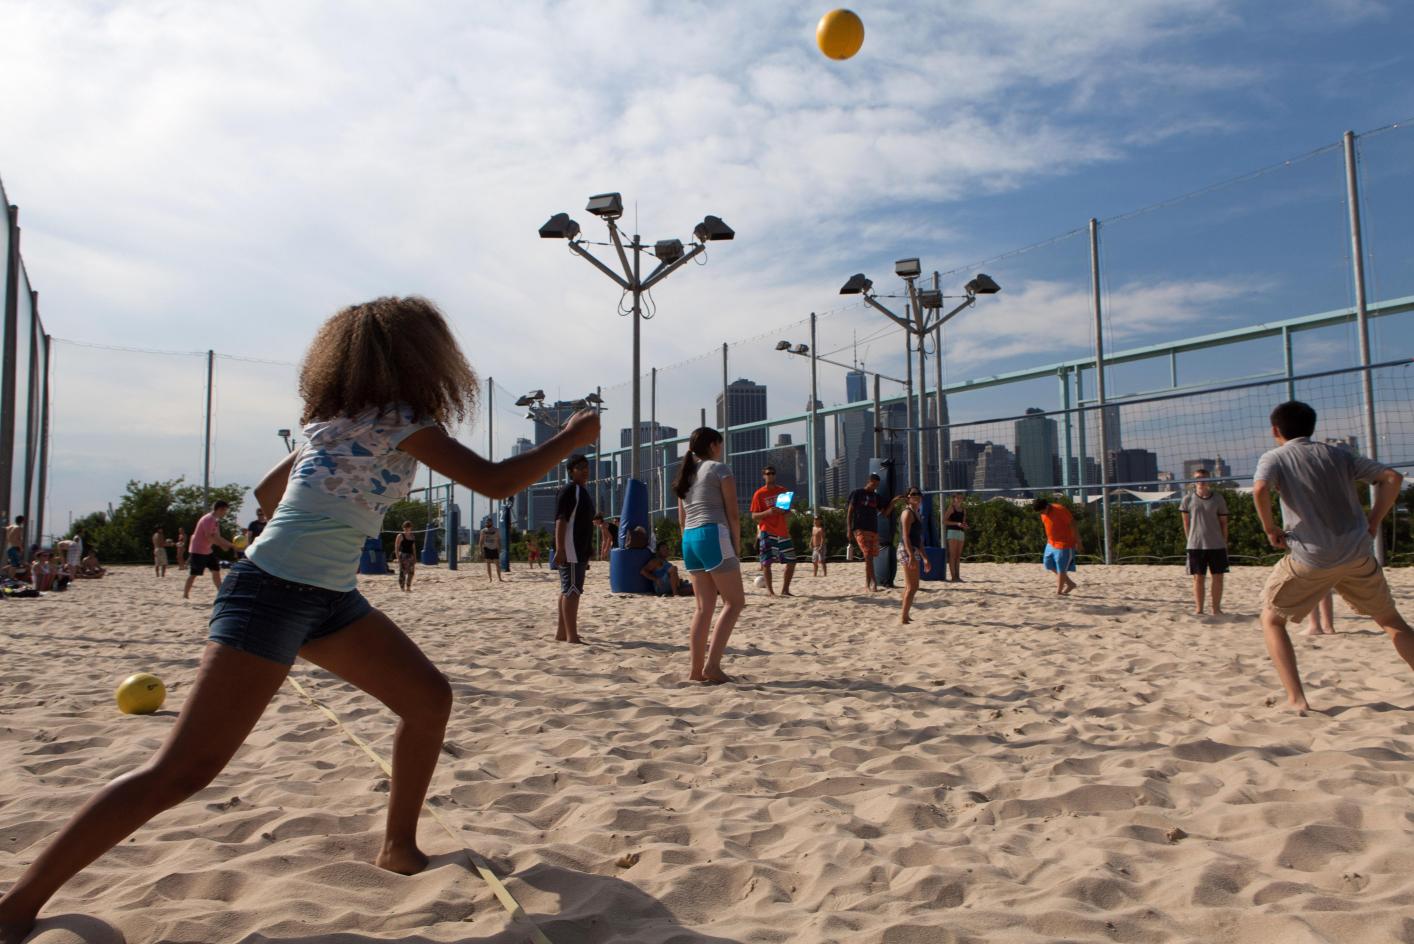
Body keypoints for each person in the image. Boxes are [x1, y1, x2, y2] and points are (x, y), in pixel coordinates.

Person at [0, 296, 598, 943]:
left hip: (326, 597)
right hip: (273, 593)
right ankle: (17, 906)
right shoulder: (404, 423)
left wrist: (332, 497)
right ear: (421, 361)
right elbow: (496, 481)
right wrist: (571, 437)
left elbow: (263, 495)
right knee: (183, 771)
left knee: (428, 699)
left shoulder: (330, 422)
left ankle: (399, 846)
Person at [1251, 400, 1412, 712]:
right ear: (1313, 426)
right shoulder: (1338, 453)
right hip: (1357, 552)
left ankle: (1297, 700)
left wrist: (1270, 529)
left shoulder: (1275, 457)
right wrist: (1374, 521)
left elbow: (1259, 490)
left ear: (1275, 430)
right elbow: (1392, 478)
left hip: (1311, 557)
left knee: (1271, 620)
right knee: (1391, 620)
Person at [675, 427, 744, 684]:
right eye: (720, 444)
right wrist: (736, 546)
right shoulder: (719, 469)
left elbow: (682, 521)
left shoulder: (686, 476)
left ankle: (695, 671)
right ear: (714, 445)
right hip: (713, 534)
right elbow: (733, 514)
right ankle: (712, 667)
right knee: (734, 602)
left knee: (703, 608)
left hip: (690, 540)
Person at [555, 455, 596, 644]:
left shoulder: (582, 490)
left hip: (580, 548)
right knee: (572, 591)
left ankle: (563, 633)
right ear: (571, 471)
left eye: (586, 467)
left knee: (569, 590)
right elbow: (561, 520)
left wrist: (589, 548)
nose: (585, 470)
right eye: (580, 467)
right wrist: (560, 548)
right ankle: (571, 636)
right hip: (571, 547)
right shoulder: (571, 489)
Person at [1180, 468, 1230, 615]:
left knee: (1218, 578)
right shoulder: (1187, 499)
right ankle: (1199, 609)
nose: (1201, 481)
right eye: (1198, 478)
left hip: (1216, 544)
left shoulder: (1218, 498)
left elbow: (1224, 523)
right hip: (1196, 544)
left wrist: (1224, 542)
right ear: (1194, 481)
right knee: (1198, 578)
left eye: (1203, 478)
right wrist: (1190, 540)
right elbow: (1186, 523)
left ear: (1209, 480)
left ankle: (1216, 609)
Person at [750, 465, 797, 597]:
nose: (770, 475)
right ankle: (770, 591)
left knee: (791, 561)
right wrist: (768, 512)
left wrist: (785, 511)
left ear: (775, 475)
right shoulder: (759, 494)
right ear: (763, 476)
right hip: (767, 531)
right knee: (767, 562)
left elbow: (788, 512)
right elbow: (754, 515)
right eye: (768, 473)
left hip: (782, 530)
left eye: (772, 473)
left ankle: (785, 590)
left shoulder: (782, 491)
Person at [182, 501, 236, 600]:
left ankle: (220, 593)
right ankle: (185, 594)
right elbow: (209, 537)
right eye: (225, 511)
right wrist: (226, 545)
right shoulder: (208, 519)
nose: (225, 513)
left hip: (207, 550)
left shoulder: (215, 520)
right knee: (194, 573)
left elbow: (217, 537)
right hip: (198, 550)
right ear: (220, 509)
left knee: (216, 570)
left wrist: (228, 545)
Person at [1032, 497, 1081, 595]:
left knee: (1061, 568)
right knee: (1048, 564)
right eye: (1040, 512)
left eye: (1043, 511)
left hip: (1065, 544)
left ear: (1047, 506)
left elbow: (1073, 524)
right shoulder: (1042, 512)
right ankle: (1070, 583)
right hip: (1051, 543)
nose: (1042, 513)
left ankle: (1059, 592)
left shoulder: (1060, 509)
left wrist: (1078, 541)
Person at [897, 487, 932, 624]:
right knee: (912, 587)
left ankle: (906, 614)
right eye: (913, 494)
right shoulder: (907, 513)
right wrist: (911, 555)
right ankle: (904, 617)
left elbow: (919, 539)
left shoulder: (916, 513)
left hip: (913, 549)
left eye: (918, 494)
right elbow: (905, 536)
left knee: (911, 586)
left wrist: (925, 558)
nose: (916, 496)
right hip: (906, 550)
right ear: (908, 497)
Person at [846, 473, 885, 592]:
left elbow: (884, 512)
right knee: (867, 555)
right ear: (869, 481)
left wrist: (894, 501)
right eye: (874, 483)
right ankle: (874, 583)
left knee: (870, 558)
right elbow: (850, 512)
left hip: (873, 529)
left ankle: (867, 584)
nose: (875, 486)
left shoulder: (876, 496)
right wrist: (848, 528)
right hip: (859, 528)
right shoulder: (857, 493)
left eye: (877, 485)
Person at [944, 493, 968, 582]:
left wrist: (964, 525)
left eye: (961, 497)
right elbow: (944, 521)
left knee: (958, 556)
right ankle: (953, 577)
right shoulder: (951, 508)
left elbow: (963, 522)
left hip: (961, 532)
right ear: (954, 498)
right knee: (952, 555)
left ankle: (958, 576)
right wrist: (956, 523)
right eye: (958, 497)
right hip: (952, 532)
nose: (960, 499)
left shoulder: (963, 510)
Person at [396, 521, 418, 592]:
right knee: (403, 572)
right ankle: (402, 588)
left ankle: (408, 587)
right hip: (403, 556)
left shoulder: (412, 536)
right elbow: (396, 547)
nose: (407, 529)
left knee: (411, 572)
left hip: (410, 556)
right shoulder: (400, 536)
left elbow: (413, 548)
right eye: (405, 528)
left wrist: (415, 557)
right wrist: (398, 558)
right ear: (403, 528)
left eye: (408, 528)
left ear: (410, 528)